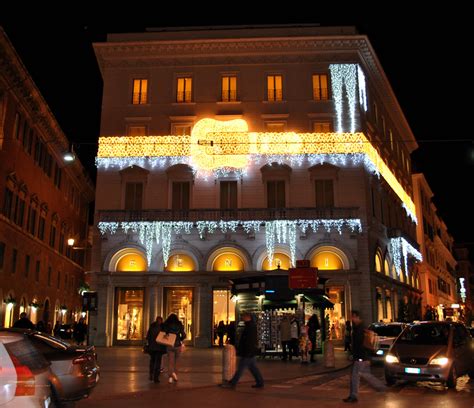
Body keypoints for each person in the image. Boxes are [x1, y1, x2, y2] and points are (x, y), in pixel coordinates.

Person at [343, 310, 387, 403]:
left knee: (357, 376)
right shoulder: (360, 328)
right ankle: (380, 387)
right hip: (363, 357)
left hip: (361, 357)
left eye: (353, 317)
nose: (352, 319)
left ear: (357, 317)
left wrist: (357, 356)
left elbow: (360, 345)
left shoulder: (360, 329)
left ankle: (354, 396)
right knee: (365, 375)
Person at [221, 313, 264, 389]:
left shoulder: (250, 327)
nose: (242, 318)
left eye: (244, 316)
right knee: (253, 368)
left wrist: (246, 350)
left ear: (248, 317)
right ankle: (260, 382)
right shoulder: (249, 325)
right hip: (250, 352)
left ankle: (233, 383)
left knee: (241, 368)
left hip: (248, 352)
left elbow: (249, 340)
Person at [162, 313, 186, 384]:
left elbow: (164, 334)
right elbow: (184, 335)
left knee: (170, 361)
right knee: (177, 361)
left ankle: (170, 377)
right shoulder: (179, 324)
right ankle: (175, 374)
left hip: (170, 344)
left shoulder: (167, 324)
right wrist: (180, 339)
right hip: (178, 344)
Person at [145, 316, 166, 383]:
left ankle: (152, 375)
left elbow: (148, 337)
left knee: (153, 361)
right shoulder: (162, 327)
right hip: (159, 348)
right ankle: (155, 377)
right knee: (157, 362)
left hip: (153, 347)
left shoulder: (152, 326)